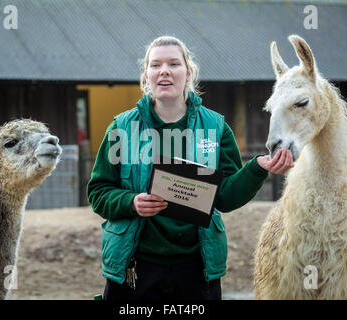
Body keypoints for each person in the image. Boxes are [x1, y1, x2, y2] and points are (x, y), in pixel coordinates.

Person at [87, 36, 293, 301]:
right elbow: (98, 191)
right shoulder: (122, 128)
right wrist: (130, 202)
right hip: (134, 268)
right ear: (146, 75)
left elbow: (226, 197)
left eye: (174, 63)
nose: (164, 71)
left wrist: (257, 169)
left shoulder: (216, 128)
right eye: (155, 65)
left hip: (197, 269)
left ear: (189, 72)